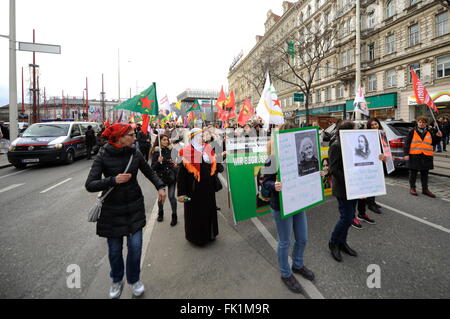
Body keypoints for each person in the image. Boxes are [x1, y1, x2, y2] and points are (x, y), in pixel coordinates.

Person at [85, 123, 166, 299]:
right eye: (131, 134)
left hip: (134, 207)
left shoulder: (135, 153)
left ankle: (134, 280)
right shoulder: (103, 155)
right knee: (114, 251)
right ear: (120, 138)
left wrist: (160, 186)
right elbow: (90, 184)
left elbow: (149, 173)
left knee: (135, 248)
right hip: (111, 211)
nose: (135, 137)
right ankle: (116, 280)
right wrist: (113, 180)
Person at [262, 123, 315, 294]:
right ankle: (286, 273)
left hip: (298, 202)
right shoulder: (273, 158)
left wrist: (318, 173)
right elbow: (264, 183)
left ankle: (298, 265)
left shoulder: (301, 156)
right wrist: (274, 185)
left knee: (303, 238)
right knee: (285, 241)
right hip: (281, 206)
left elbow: (306, 175)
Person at [177, 128, 224, 246]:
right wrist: (181, 193)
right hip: (193, 191)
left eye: (204, 136)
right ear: (194, 138)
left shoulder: (208, 149)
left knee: (209, 211)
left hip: (208, 189)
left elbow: (215, 166)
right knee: (195, 214)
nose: (204, 139)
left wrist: (221, 159)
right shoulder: (187, 152)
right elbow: (181, 176)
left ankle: (210, 235)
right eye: (201, 137)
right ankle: (197, 238)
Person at [328, 120, 359, 262]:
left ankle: (342, 242)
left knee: (350, 216)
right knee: (346, 217)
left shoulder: (353, 144)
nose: (357, 131)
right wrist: (349, 179)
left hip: (355, 187)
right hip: (343, 188)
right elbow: (334, 170)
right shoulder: (336, 146)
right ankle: (333, 242)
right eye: (354, 129)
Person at [404, 116, 442, 198]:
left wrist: (438, 137)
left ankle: (425, 189)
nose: (421, 124)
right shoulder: (412, 132)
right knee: (413, 172)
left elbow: (434, 142)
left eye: (423, 122)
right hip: (414, 154)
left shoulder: (429, 132)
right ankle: (412, 188)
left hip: (426, 156)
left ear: (426, 123)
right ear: (417, 122)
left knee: (425, 173)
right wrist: (406, 154)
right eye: (420, 122)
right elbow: (407, 143)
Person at [150, 134, 179, 226]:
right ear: (160, 141)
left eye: (167, 140)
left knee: (171, 196)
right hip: (161, 178)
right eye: (164, 140)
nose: (166, 141)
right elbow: (152, 168)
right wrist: (158, 161)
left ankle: (174, 215)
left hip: (171, 176)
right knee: (162, 197)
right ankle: (160, 212)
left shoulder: (171, 150)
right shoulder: (156, 152)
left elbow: (176, 162)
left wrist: (175, 164)